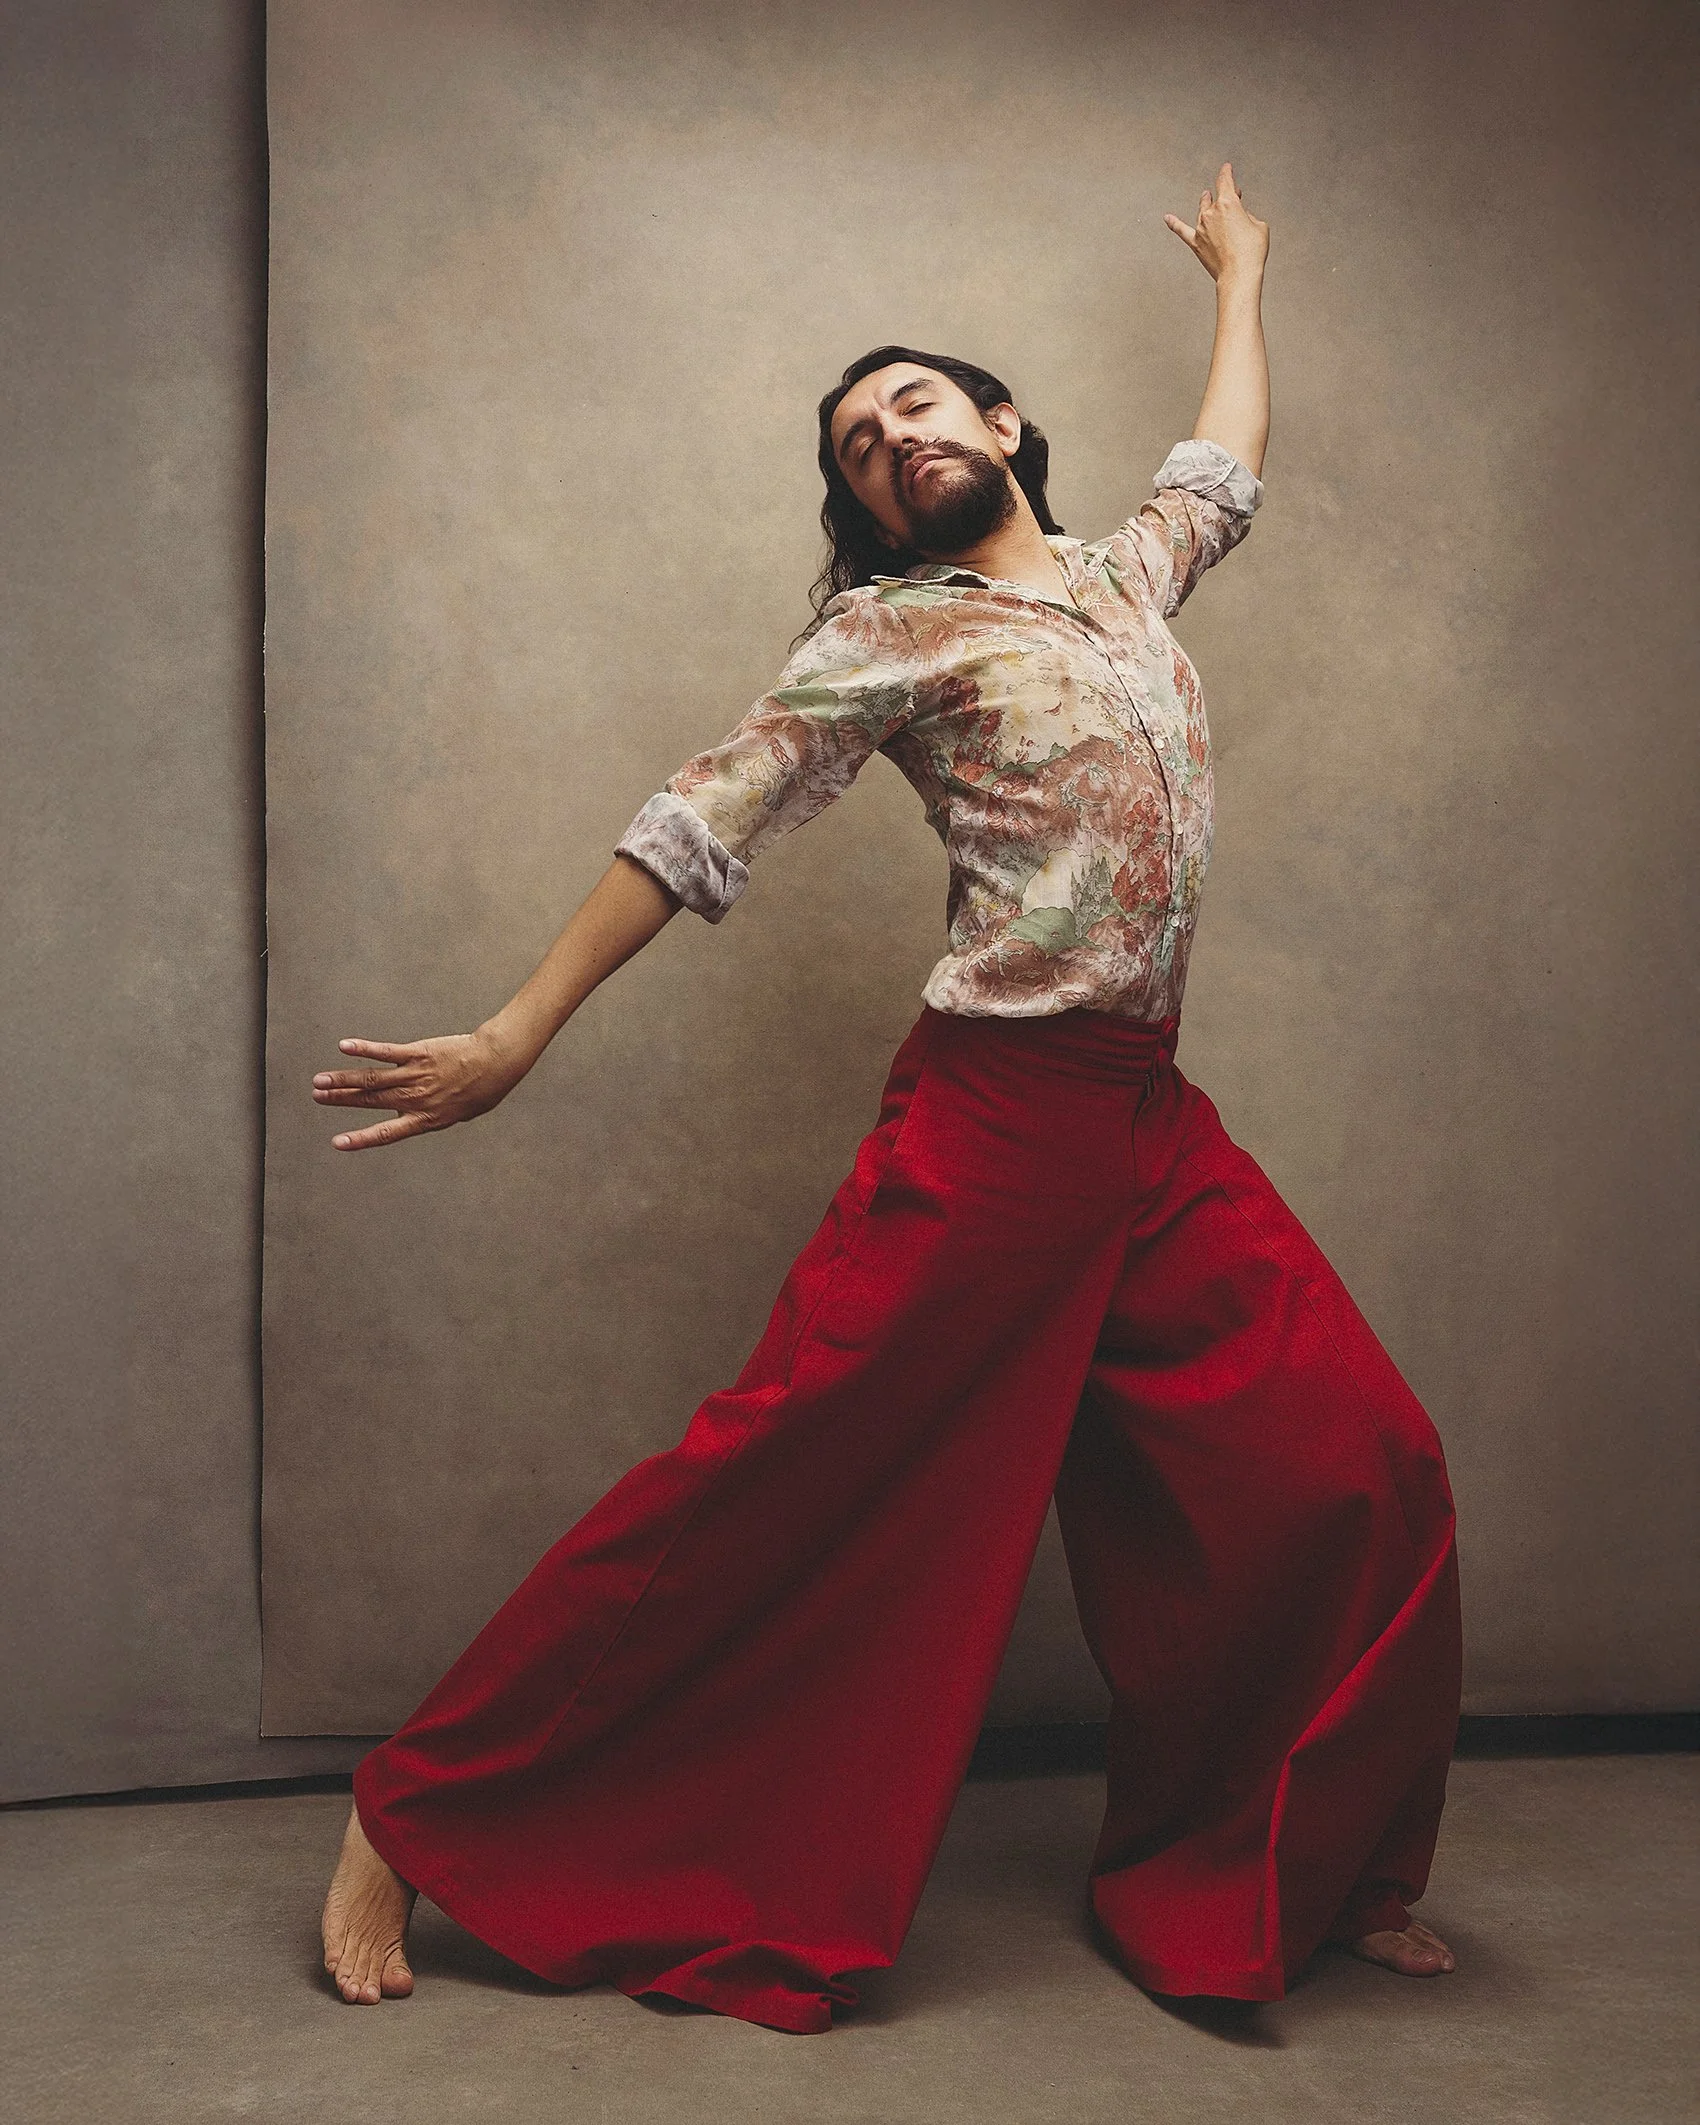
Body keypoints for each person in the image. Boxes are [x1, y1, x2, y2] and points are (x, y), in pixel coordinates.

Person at [316, 164, 1461, 2026]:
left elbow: (1222, 453)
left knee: (1353, 1465)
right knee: (777, 1484)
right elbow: (703, 818)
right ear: (861, 506)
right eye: (857, 443)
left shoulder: (1126, 574)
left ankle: (1282, 1871)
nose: (890, 438)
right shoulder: (884, 637)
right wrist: (518, 1030)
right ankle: (417, 1813)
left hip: (1147, 1128)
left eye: (918, 402)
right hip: (994, 1130)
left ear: (1002, 425)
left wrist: (1243, 273)